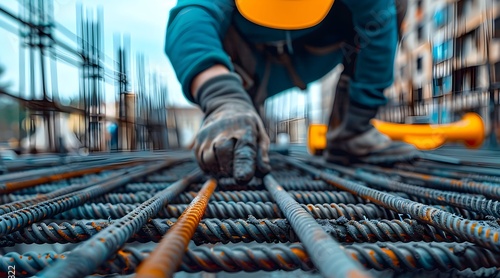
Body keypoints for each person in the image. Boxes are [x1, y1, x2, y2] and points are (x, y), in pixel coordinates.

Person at [165, 0, 418, 184]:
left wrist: (363, 108)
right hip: (242, 68)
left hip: (312, 53)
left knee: (392, 6)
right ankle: (235, 112)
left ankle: (353, 131)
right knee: (235, 133)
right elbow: (190, 20)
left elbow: (381, 25)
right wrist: (222, 98)